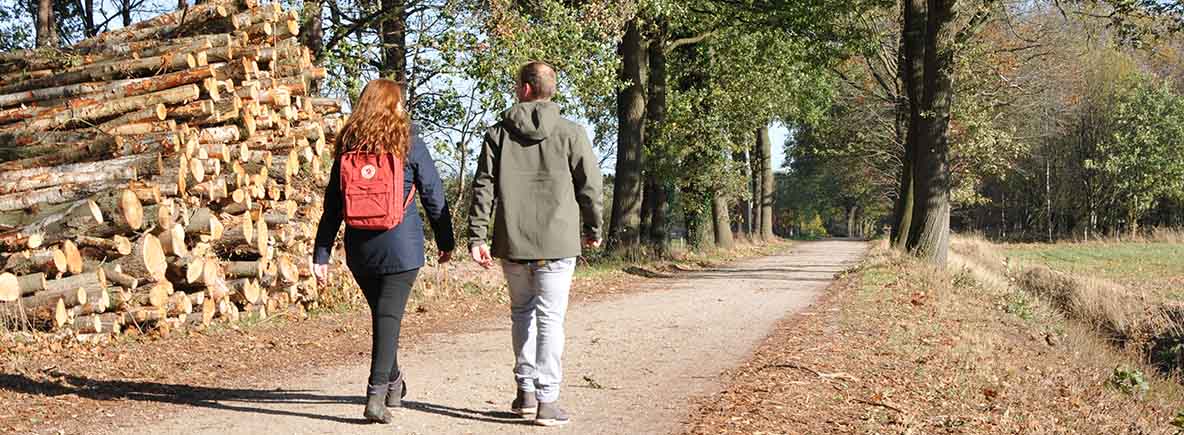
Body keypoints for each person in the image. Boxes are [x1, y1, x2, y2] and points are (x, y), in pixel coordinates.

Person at [468, 61, 604, 427]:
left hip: (512, 241)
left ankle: (525, 392)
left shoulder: (497, 134)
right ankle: (548, 400)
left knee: (522, 314)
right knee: (550, 319)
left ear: (525, 89)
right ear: (548, 89)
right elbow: (590, 186)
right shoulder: (572, 133)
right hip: (557, 243)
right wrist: (593, 227)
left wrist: (477, 235)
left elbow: (483, 187)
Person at [312, 79, 455, 424]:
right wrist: (445, 240)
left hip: (360, 249)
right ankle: (376, 396)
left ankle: (393, 383)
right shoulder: (409, 141)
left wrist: (321, 253)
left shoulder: (348, 145)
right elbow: (433, 195)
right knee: (387, 319)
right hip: (401, 248)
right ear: (395, 106)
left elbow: (333, 204)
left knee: (383, 317)